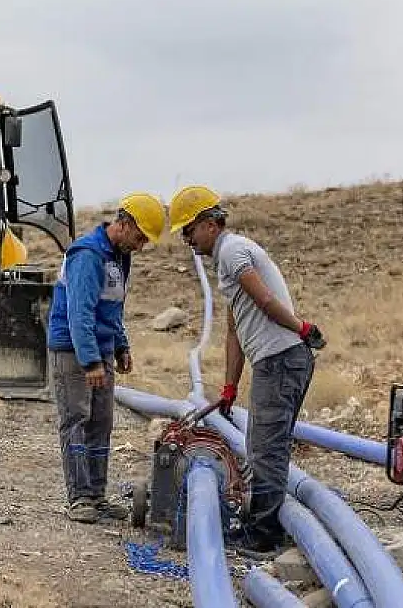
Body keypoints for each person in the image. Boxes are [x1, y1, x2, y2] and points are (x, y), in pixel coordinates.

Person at [168, 184, 326, 557]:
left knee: (265, 450)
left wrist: (302, 328)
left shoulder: (233, 250)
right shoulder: (226, 259)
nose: (186, 241)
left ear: (209, 223)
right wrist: (228, 387)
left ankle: (264, 537)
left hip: (283, 359)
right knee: (262, 445)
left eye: (188, 230)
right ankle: (265, 525)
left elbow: (265, 299)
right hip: (276, 361)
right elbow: (234, 329)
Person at [47, 192, 167, 524]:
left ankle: (97, 496)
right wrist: (90, 362)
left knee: (101, 423)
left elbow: (112, 307)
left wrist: (120, 346)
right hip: (74, 350)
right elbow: (80, 313)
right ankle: (80, 497)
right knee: (77, 420)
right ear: (124, 224)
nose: (141, 246)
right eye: (140, 237)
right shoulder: (88, 255)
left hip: (99, 349)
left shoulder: (118, 257)